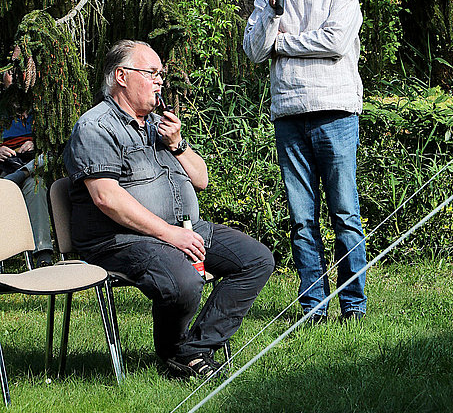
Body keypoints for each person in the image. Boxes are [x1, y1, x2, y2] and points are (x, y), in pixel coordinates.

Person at [63, 39, 274, 380]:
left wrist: (177, 144)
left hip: (184, 229)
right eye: (152, 73)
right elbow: (106, 197)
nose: (160, 81)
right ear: (121, 76)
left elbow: (201, 179)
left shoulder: (158, 126)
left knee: (255, 260)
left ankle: (191, 352)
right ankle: (181, 356)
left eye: (161, 74)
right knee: (184, 281)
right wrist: (168, 234)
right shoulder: (95, 127)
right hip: (120, 240)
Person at [243, 0, 367, 324]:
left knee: (344, 213)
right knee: (301, 219)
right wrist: (273, 14)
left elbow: (334, 41)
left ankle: (353, 308)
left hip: (335, 112)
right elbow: (254, 50)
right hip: (289, 116)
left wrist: (283, 43)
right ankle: (313, 309)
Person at [0, 66, 53, 268]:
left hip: (34, 164)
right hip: (5, 167)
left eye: (20, 71)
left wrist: (36, 143)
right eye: (10, 72)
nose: (15, 77)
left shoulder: (41, 108)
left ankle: (43, 254)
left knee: (36, 183)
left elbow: (55, 142)